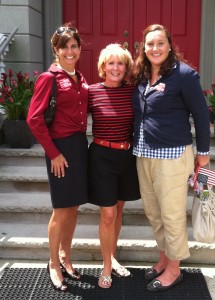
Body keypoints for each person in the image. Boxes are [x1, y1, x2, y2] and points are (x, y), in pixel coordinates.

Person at [131, 24, 210, 292]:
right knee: (155, 213)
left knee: (172, 214)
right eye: (150, 43)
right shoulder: (142, 75)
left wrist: (204, 154)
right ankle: (164, 259)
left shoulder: (184, 75)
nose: (155, 48)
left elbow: (201, 115)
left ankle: (175, 270)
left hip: (173, 155)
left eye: (160, 43)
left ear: (169, 45)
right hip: (144, 154)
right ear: (144, 47)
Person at [27, 25, 89, 292]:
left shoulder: (80, 77)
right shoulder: (48, 78)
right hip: (59, 150)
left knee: (74, 207)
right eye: (65, 46)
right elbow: (33, 119)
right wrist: (53, 153)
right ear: (56, 49)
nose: (70, 51)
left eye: (74, 45)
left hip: (78, 146)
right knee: (61, 209)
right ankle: (53, 262)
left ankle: (66, 256)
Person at [88, 43, 140, 289]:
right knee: (107, 213)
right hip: (101, 157)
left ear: (126, 67)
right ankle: (106, 266)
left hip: (126, 157)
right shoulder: (92, 91)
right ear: (103, 66)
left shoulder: (133, 92)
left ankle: (112, 256)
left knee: (119, 211)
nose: (116, 68)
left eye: (120, 63)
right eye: (111, 63)